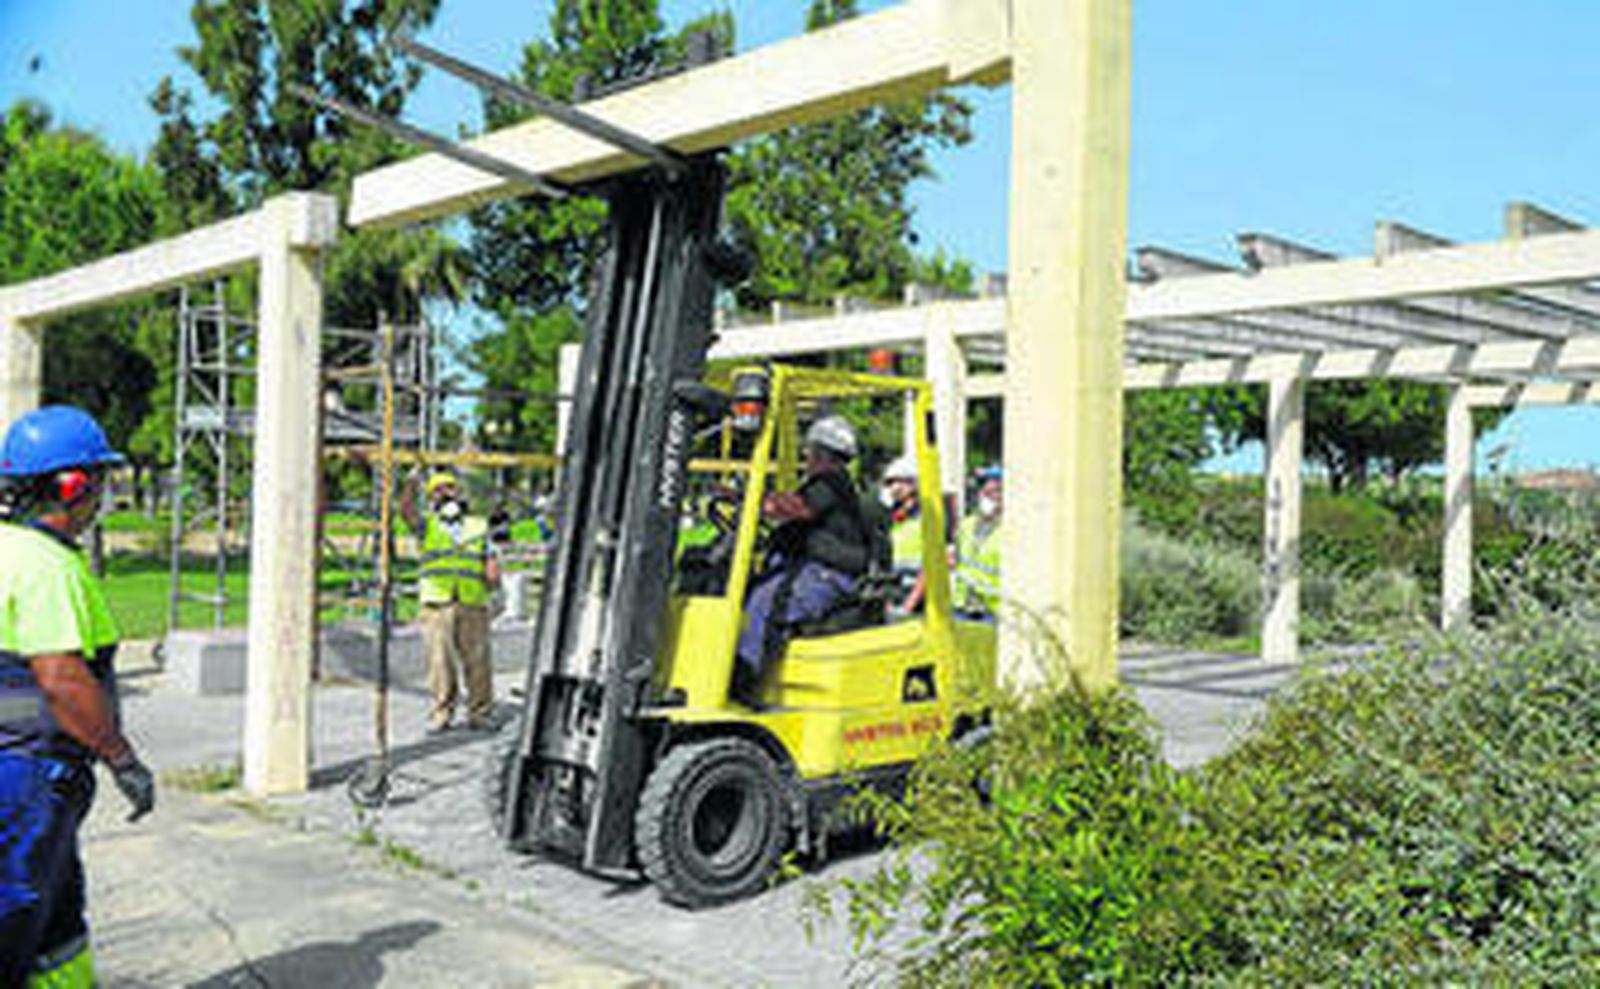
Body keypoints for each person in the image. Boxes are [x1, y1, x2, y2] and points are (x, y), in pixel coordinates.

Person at [1, 405, 156, 987]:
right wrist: (122, 759)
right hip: (31, 773)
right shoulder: (47, 567)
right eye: (99, 479)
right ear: (72, 485)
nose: (102, 494)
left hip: (21, 765)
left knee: (57, 919)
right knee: (17, 913)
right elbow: (62, 680)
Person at [733, 416, 872, 704]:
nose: (807, 457)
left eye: (810, 451)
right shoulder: (821, 484)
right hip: (809, 569)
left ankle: (742, 683)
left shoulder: (831, 482)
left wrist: (756, 499)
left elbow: (798, 509)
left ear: (822, 453)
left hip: (828, 575)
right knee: (744, 589)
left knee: (765, 603)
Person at [400, 470, 499, 733]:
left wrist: (495, 588)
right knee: (440, 662)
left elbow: (489, 558)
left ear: (458, 492)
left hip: (472, 601)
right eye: (438, 490)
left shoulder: (477, 526)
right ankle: (442, 713)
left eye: (449, 488)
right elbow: (406, 512)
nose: (445, 494)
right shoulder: (428, 526)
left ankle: (480, 713)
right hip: (437, 603)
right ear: (431, 498)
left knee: (478, 661)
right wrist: (410, 484)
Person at [955, 467, 1003, 619]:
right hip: (962, 606)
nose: (986, 497)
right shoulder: (966, 525)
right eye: (984, 492)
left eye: (994, 492)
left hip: (993, 610)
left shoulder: (1011, 530)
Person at [880, 454, 926, 614]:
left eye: (900, 481)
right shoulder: (889, 517)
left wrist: (909, 605)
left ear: (914, 484)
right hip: (892, 593)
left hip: (918, 597)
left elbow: (930, 568)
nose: (895, 487)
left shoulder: (926, 519)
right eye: (890, 483)